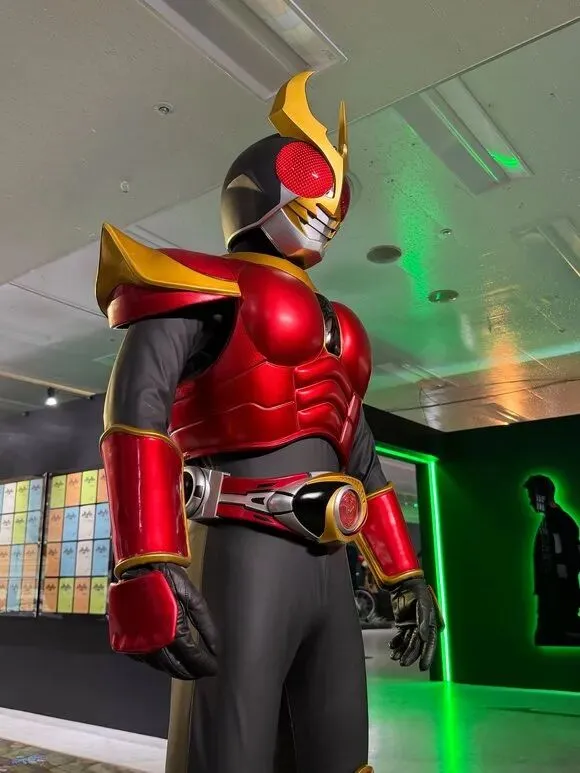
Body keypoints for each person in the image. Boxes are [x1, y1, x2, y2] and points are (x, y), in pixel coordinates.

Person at [96, 70, 443, 773]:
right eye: (309, 173)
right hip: (240, 549)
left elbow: (362, 459)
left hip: (330, 562)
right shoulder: (200, 284)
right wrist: (146, 559)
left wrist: (404, 574)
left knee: (341, 753)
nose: (328, 202)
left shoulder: (341, 326)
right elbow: (136, 412)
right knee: (228, 754)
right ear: (257, 184)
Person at [524, 474, 580, 646]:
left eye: (532, 497)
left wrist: (559, 586)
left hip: (557, 595)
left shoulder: (558, 522)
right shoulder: (552, 521)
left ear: (540, 496)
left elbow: (568, 560)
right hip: (553, 594)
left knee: (552, 634)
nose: (531, 502)